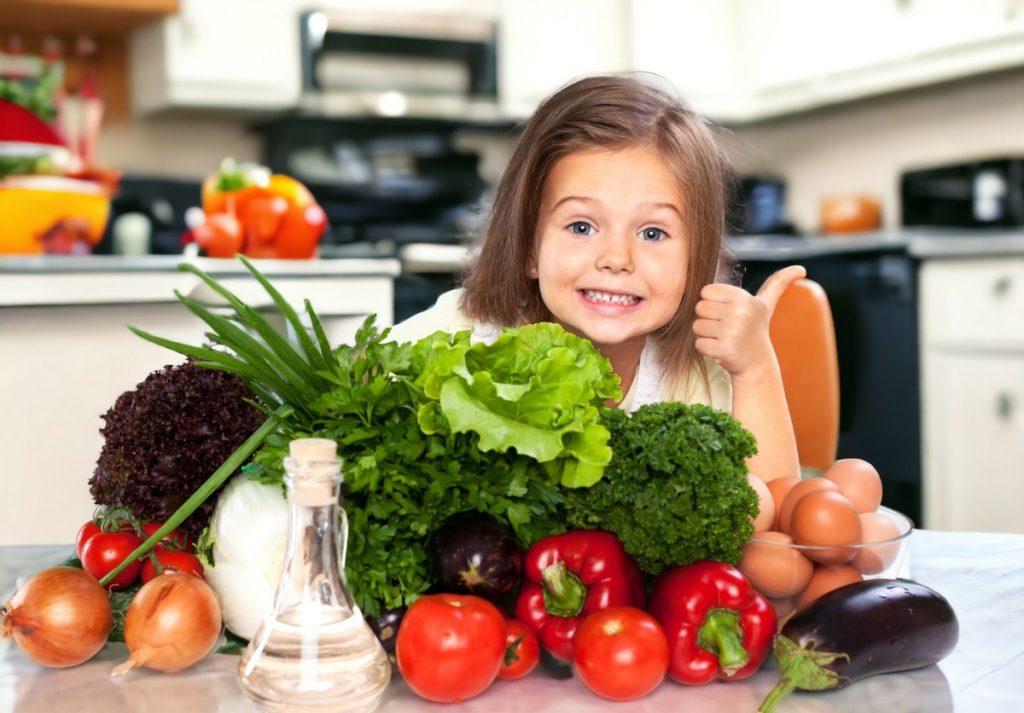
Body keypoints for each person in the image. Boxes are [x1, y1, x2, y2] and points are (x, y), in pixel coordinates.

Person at [390, 75, 803, 483]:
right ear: (529, 248)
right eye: (582, 227)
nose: (616, 259)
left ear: (695, 258)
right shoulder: (458, 337)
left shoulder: (694, 377)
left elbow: (773, 509)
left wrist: (755, 369)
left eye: (653, 233)